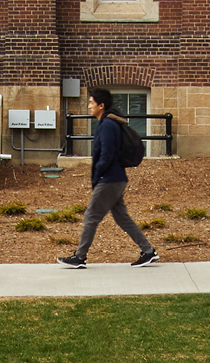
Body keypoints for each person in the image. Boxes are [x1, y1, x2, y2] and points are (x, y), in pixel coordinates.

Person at [57, 85, 158, 269]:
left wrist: (98, 175)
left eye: (91, 103)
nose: (89, 106)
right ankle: (148, 251)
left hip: (109, 179)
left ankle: (80, 257)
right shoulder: (109, 123)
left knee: (91, 216)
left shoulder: (107, 125)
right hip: (115, 178)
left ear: (101, 105)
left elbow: (107, 154)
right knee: (122, 217)